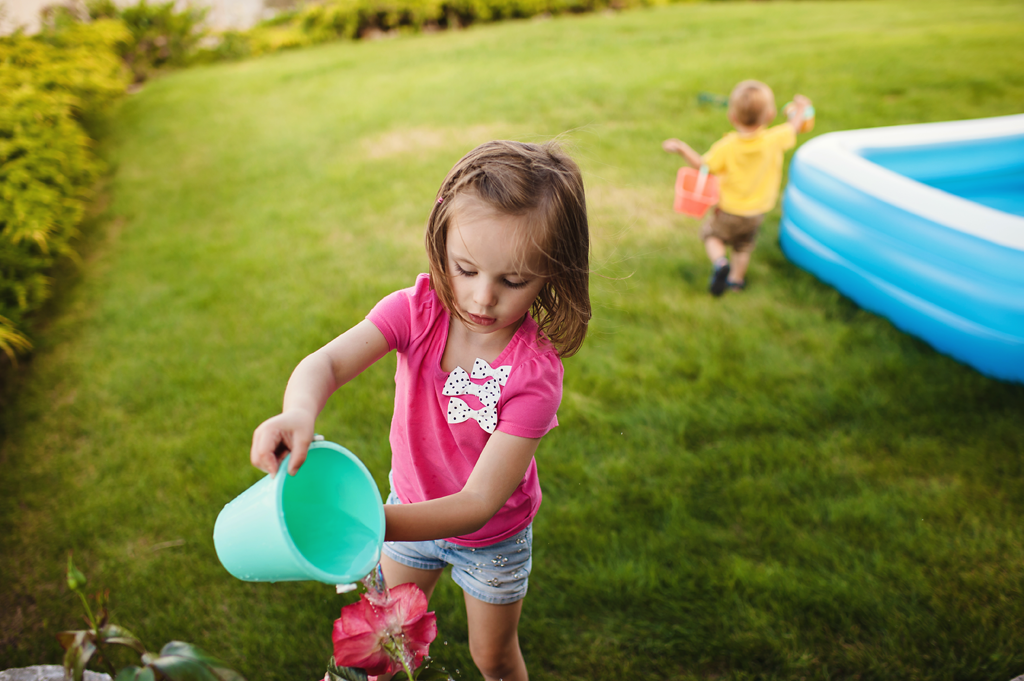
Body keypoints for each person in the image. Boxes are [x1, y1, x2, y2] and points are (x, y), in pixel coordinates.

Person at [250, 140, 591, 681]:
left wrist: (370, 523)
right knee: (387, 642)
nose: (482, 298)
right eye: (466, 269)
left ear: (554, 273)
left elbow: (478, 502)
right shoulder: (415, 312)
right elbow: (328, 365)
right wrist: (297, 413)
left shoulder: (534, 374)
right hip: (408, 506)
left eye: (513, 280)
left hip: (491, 539)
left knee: (493, 658)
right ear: (441, 242)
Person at [663, 80, 812, 296]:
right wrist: (800, 108)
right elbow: (794, 126)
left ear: (732, 117)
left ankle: (721, 263)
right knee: (743, 246)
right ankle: (735, 282)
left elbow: (703, 166)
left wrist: (681, 148)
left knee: (711, 235)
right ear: (769, 116)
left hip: (729, 209)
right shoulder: (774, 139)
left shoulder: (727, 147)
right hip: (757, 211)